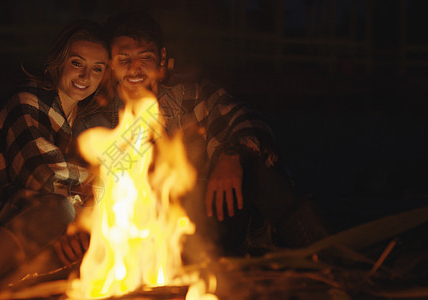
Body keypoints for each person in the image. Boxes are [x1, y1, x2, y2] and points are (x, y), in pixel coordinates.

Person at [76, 11, 329, 259]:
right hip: (147, 240)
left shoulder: (187, 97)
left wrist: (230, 155)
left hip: (211, 220)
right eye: (124, 59)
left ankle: (321, 251)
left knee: (255, 164)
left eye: (145, 57)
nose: (135, 68)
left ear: (162, 57)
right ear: (110, 63)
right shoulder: (97, 124)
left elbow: (246, 117)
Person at [0, 20, 111, 300]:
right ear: (59, 62)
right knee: (61, 209)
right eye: (77, 63)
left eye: (97, 68)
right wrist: (97, 185)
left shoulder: (90, 125)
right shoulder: (27, 100)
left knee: (99, 247)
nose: (85, 75)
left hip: (51, 239)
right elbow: (42, 175)